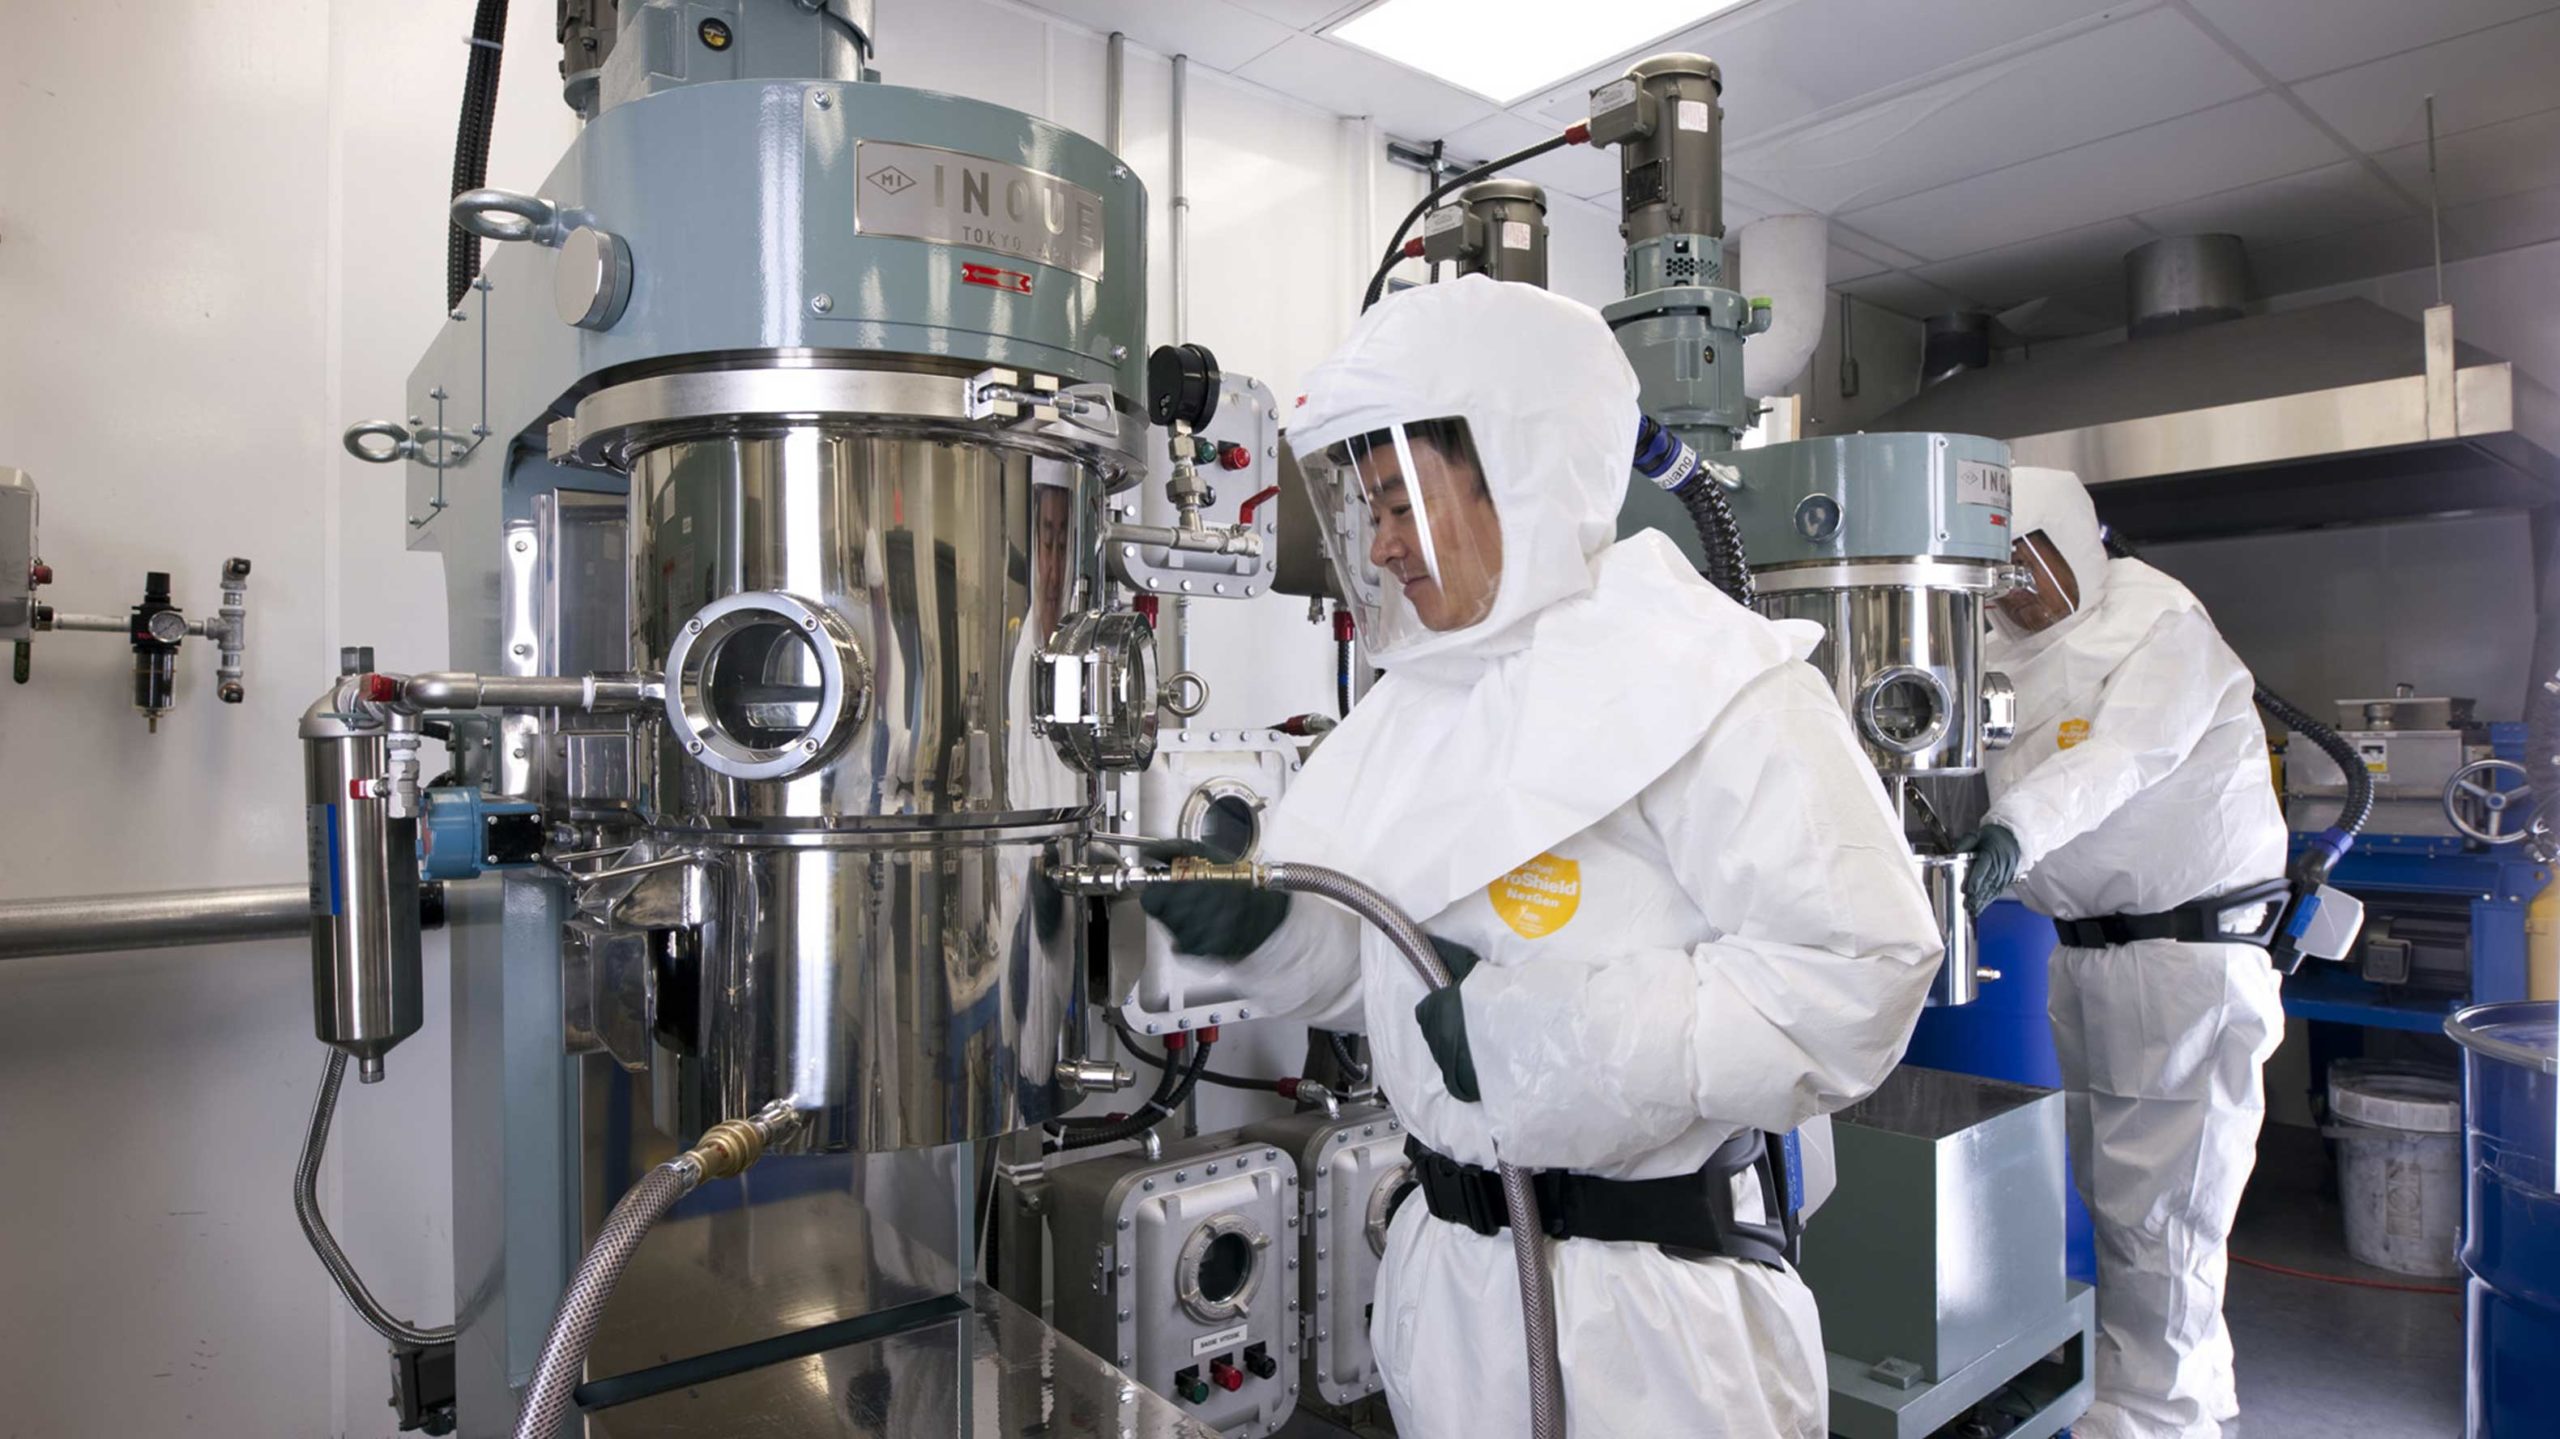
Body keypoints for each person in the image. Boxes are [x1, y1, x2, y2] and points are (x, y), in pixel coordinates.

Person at [1137, 276, 1943, 1437]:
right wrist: (1273, 931)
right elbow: (1379, 970)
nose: (1383, 545)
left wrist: (1537, 1033)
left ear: (1518, 465)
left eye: (1402, 502)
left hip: (1651, 1319)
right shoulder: (1410, 708)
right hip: (1450, 1286)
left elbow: (1857, 973)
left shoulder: (1711, 679)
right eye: (1366, 508)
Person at [1953, 466, 2289, 1439]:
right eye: (1996, 571)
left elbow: (2121, 757)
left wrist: (2012, 831)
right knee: (2120, 1201)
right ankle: (2172, 1401)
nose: (2016, 589)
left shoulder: (2157, 623)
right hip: (2086, 957)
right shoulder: (1995, 652)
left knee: (2163, 1216)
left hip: (2182, 957)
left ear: (2075, 541)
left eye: (2030, 561)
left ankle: (2151, 1416)